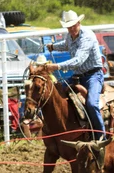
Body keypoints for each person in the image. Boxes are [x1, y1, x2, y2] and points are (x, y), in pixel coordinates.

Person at [44, 10, 106, 140]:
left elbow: (78, 60)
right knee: (56, 92)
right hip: (78, 76)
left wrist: (57, 66)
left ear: (79, 23)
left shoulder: (87, 37)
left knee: (92, 104)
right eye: (69, 27)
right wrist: (53, 47)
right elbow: (66, 44)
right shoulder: (70, 35)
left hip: (93, 75)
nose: (72, 29)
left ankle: (101, 137)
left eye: (73, 26)